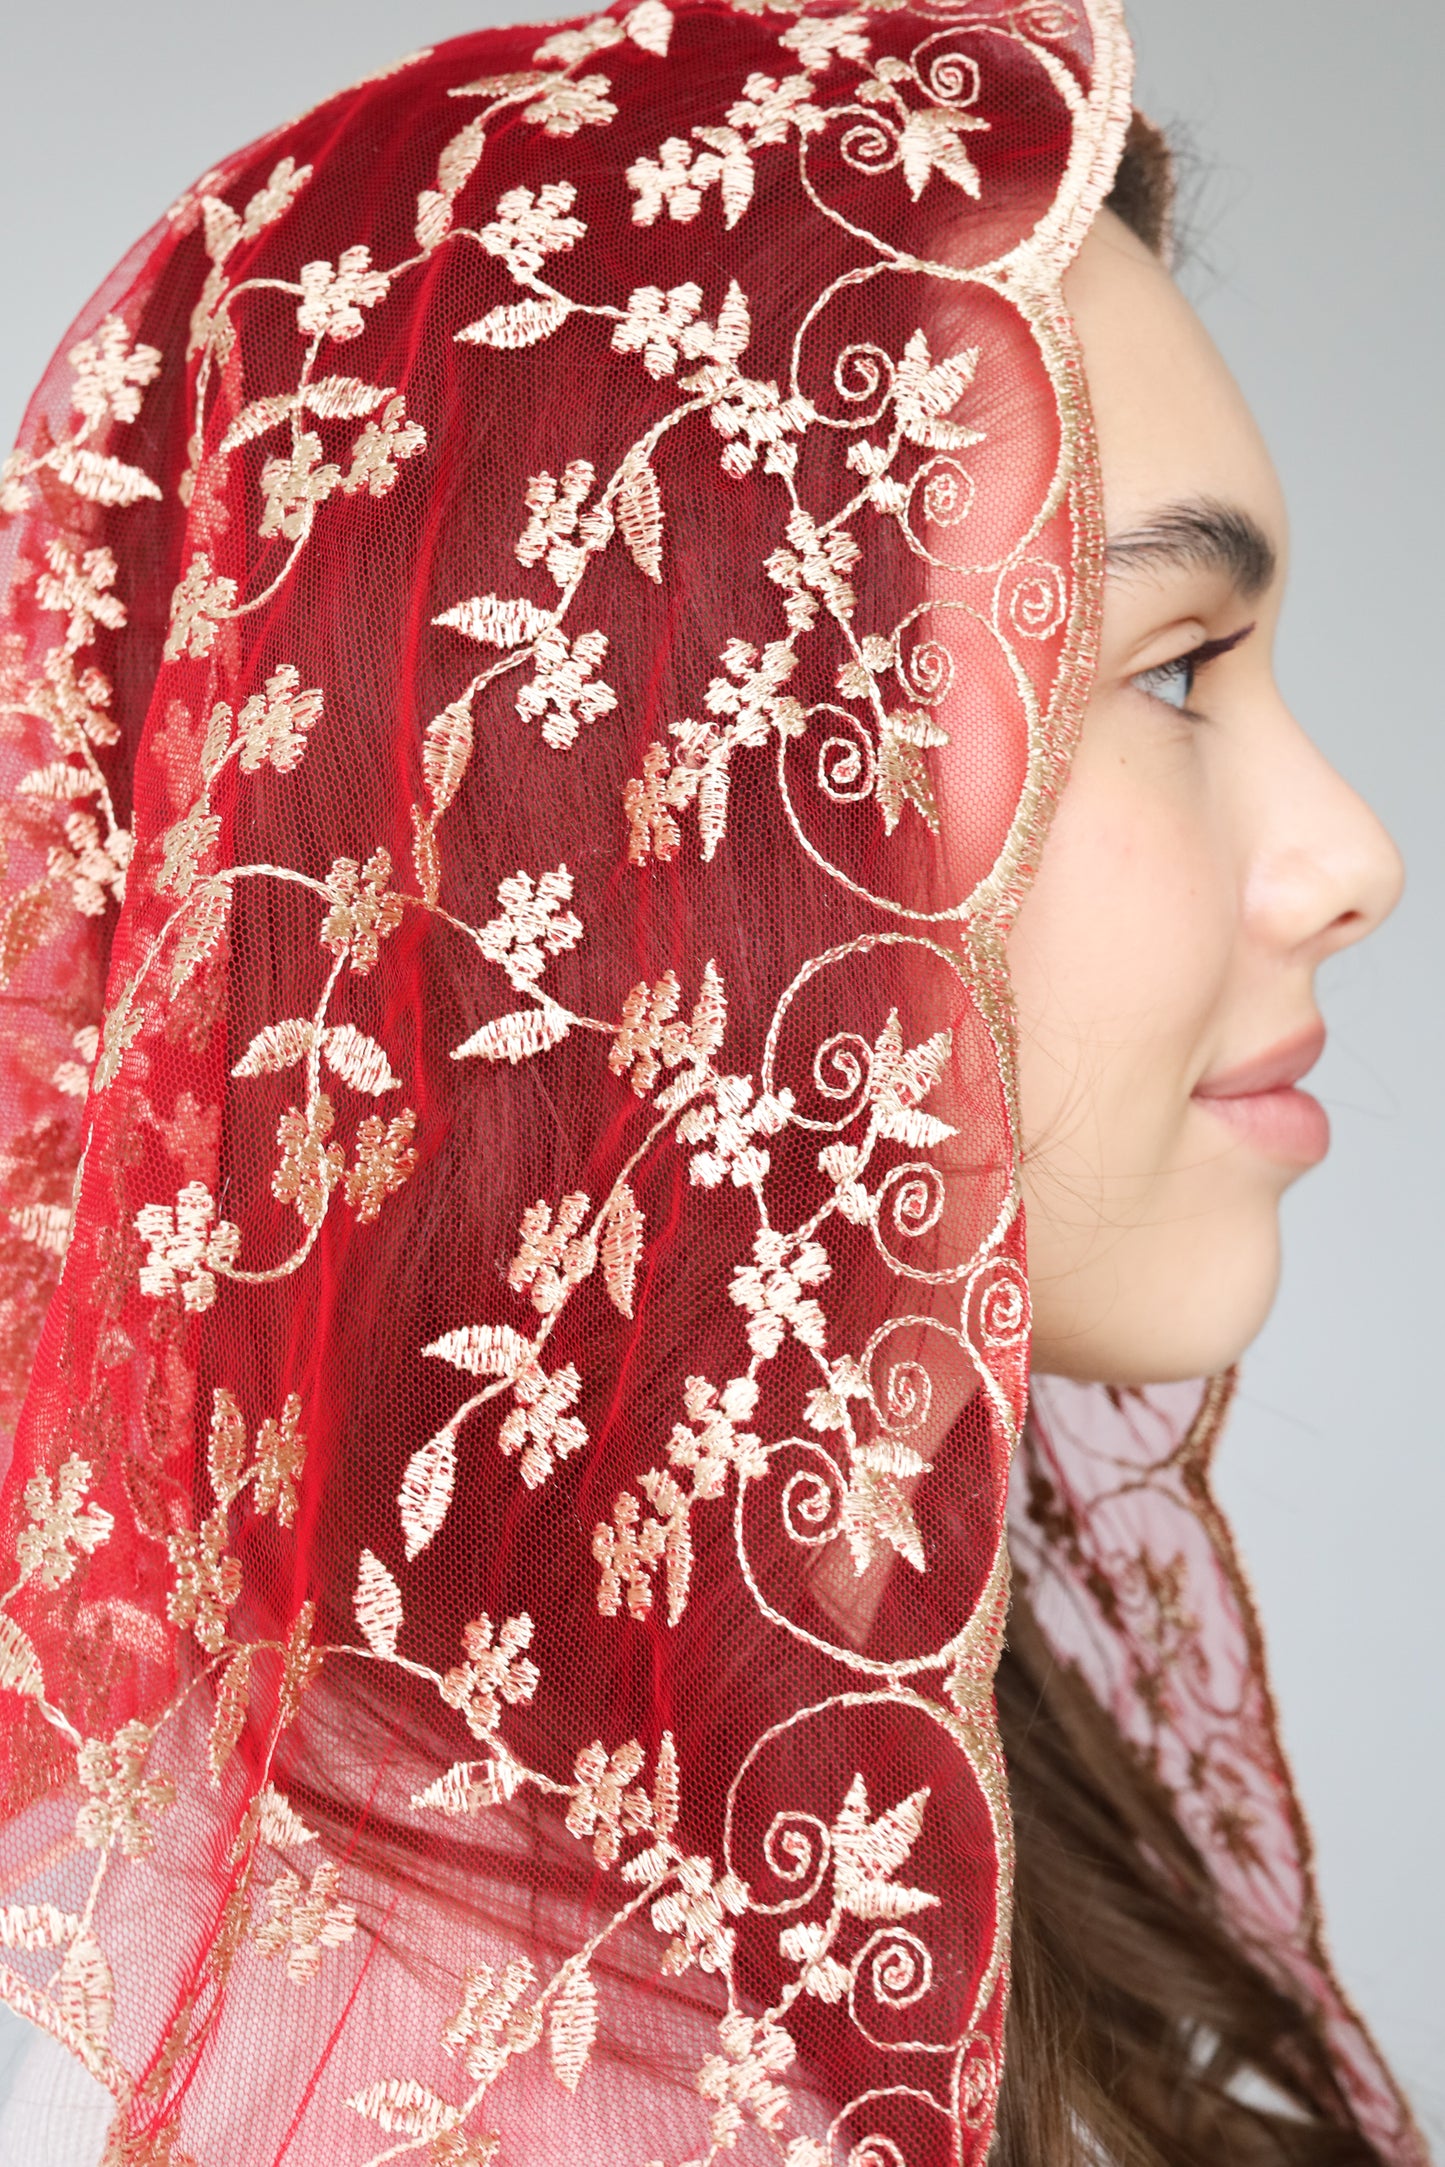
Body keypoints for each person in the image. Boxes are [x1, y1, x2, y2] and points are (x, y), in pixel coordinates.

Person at [0, 3, 1425, 2162]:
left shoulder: (810, 1842)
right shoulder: (483, 2083)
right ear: (667, 822)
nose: (1353, 861)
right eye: (1176, 668)